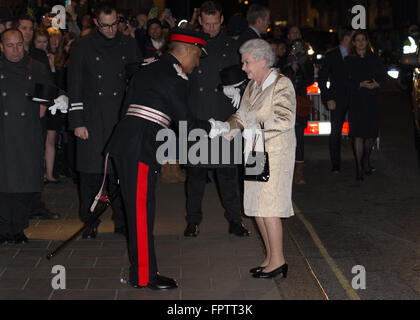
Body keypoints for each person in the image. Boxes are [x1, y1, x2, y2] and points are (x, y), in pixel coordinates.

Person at [105, 28, 226, 289]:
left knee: (139, 211)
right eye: (197, 57)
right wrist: (214, 126)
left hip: (129, 143)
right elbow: (186, 123)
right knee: (140, 213)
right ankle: (144, 276)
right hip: (140, 148)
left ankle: (143, 271)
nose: (196, 64)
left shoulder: (149, 69)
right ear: (189, 51)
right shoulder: (174, 77)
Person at [215, 39, 296, 279]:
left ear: (262, 61)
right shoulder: (252, 85)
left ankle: (279, 260)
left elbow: (285, 120)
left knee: (269, 208)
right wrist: (223, 128)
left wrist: (256, 129)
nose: (243, 67)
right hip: (254, 152)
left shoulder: (282, 85)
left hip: (274, 154)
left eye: (246, 62)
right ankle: (270, 257)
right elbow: (241, 116)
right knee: (257, 208)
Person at [68, 1, 141, 239]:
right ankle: (90, 222)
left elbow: (138, 81)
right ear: (96, 22)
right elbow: (75, 85)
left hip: (120, 115)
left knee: (119, 175)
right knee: (91, 174)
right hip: (92, 117)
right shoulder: (83, 46)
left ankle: (121, 220)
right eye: (105, 26)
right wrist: (77, 121)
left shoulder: (128, 44)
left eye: (114, 25)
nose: (110, 30)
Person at [184, 1, 249, 238]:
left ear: (221, 20)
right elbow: (181, 79)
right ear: (200, 21)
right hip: (198, 116)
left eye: (215, 23)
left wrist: (237, 89)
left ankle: (235, 220)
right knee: (196, 177)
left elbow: (245, 75)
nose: (211, 28)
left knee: (227, 175)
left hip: (223, 117)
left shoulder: (233, 46)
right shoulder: (191, 44)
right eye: (207, 24)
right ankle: (192, 221)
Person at [0, 29, 57, 244]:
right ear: (1, 47)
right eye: (10, 45)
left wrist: (47, 103)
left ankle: (19, 227)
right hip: (4, 133)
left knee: (25, 183)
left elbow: (46, 99)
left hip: (27, 133)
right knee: (4, 185)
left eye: (18, 45)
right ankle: (4, 227)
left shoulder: (36, 68)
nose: (15, 50)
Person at [15, 15, 60, 221]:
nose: (27, 32)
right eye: (23, 28)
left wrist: (43, 104)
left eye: (30, 29)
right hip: (13, 117)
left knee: (35, 159)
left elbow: (48, 84)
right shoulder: (8, 53)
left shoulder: (38, 55)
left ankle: (35, 203)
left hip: (35, 116)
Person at [345, 31, 387, 182]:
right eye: (358, 40)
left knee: (370, 136)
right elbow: (345, 81)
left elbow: (383, 75)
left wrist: (377, 83)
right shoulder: (349, 60)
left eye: (363, 40)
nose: (361, 42)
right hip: (357, 101)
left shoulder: (374, 58)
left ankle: (366, 161)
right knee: (358, 135)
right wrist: (359, 84)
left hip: (372, 100)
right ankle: (358, 169)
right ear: (354, 43)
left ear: (367, 42)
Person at [318, 28, 354, 173]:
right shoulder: (332, 55)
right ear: (345, 39)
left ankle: (361, 161)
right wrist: (328, 98)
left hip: (355, 98)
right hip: (337, 99)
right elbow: (322, 78)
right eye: (352, 38)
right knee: (336, 132)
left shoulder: (356, 54)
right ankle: (336, 164)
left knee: (359, 129)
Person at [283, 26, 314, 184]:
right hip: (283, 102)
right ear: (288, 36)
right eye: (292, 33)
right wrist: (289, 64)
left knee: (299, 138)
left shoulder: (306, 59)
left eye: (297, 33)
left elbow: (309, 80)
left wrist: (301, 63)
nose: (294, 36)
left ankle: (299, 172)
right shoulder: (283, 55)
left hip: (299, 101)